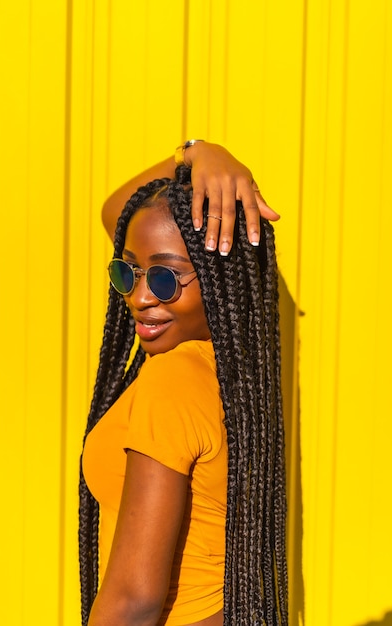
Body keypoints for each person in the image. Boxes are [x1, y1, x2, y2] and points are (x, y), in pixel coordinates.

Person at [79, 141, 288, 626]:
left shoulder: (172, 379)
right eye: (126, 272)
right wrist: (195, 152)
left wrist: (196, 157)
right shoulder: (230, 374)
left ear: (216, 280)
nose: (141, 297)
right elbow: (121, 212)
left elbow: (135, 600)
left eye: (167, 279)